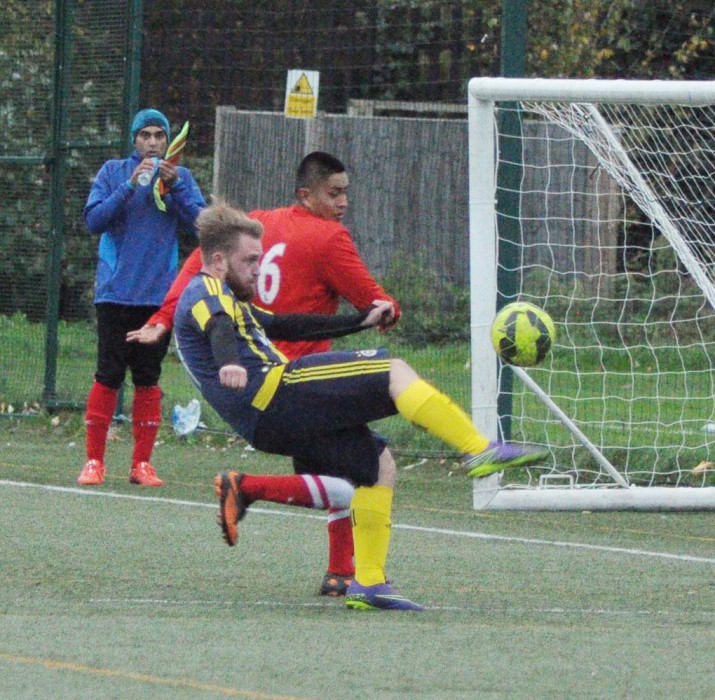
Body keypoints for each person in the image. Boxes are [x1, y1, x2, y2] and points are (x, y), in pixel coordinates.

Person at [173, 200, 547, 611]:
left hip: (266, 421)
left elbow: (284, 324)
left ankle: (369, 582)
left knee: (376, 463)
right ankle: (478, 449)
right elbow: (218, 328)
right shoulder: (204, 290)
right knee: (393, 371)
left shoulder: (231, 297)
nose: (258, 269)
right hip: (275, 393)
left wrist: (359, 320)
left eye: (259, 260)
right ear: (219, 259)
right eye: (250, 261)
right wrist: (228, 362)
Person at [129, 151, 399, 596]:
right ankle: (349, 566)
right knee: (367, 466)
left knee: (341, 476)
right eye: (335, 193)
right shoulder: (330, 237)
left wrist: (163, 315)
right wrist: (385, 308)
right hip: (299, 380)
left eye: (346, 193)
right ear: (306, 194)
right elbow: (367, 296)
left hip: (261, 383)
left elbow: (201, 268)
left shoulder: (255, 224)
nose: (343, 202)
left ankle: (338, 571)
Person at [77, 108, 206, 487]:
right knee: (109, 374)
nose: (152, 142)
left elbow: (201, 225)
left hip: (157, 298)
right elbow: (93, 220)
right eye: (145, 135)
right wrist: (131, 184)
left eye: (159, 136)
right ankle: (94, 462)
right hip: (115, 294)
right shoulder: (113, 172)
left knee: (148, 378)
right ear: (134, 140)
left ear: (168, 141)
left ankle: (142, 465)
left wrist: (176, 185)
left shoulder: (178, 177)